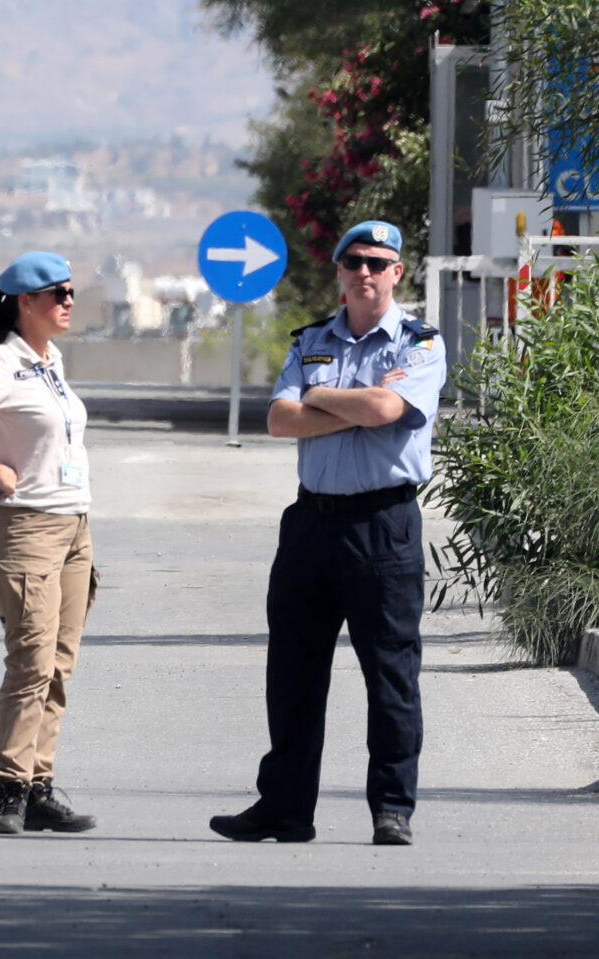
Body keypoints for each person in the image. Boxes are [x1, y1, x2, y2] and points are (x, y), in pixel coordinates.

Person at [210, 219, 445, 848]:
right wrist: (354, 401)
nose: (364, 273)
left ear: (398, 272)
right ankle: (284, 808)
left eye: (377, 263)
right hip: (311, 522)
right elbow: (281, 421)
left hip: (383, 524)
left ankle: (392, 808)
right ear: (339, 272)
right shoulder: (313, 339)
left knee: (390, 675)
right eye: (353, 262)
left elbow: (389, 411)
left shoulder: (419, 344)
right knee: (292, 672)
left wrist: (324, 395)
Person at [0, 252, 100, 837]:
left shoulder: (50, 362)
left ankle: (40, 786)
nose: (68, 302)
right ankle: (10, 789)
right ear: (24, 303)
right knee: (30, 662)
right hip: (27, 526)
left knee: (59, 664)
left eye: (69, 292)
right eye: (57, 293)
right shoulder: (2, 363)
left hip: (73, 526)